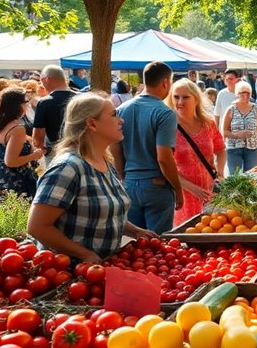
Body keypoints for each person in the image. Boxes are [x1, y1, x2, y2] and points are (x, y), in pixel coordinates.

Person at [29, 93, 158, 262]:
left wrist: (134, 230)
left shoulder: (104, 161)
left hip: (99, 270)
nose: (121, 120)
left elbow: (105, 213)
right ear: (92, 123)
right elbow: (37, 227)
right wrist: (84, 254)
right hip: (70, 275)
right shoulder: (68, 167)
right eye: (114, 115)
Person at [111, 61, 184, 235]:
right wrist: (178, 189)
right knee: (157, 247)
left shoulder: (121, 109)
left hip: (130, 183)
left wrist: (124, 176)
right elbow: (164, 157)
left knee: (135, 246)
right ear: (166, 82)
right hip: (156, 185)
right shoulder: (165, 112)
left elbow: (115, 150)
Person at [166, 79, 225, 227]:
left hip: (210, 190)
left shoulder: (208, 123)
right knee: (188, 236)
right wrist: (192, 188)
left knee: (213, 231)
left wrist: (220, 172)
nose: (180, 102)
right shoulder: (168, 126)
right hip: (183, 194)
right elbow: (165, 164)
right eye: (176, 97)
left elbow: (221, 149)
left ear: (196, 99)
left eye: (185, 97)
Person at [0, 87, 45, 200]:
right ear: (19, 105)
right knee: (16, 215)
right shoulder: (16, 128)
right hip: (14, 180)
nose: (28, 105)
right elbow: (10, 161)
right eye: (26, 102)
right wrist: (35, 155)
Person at [33, 65, 77, 171]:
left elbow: (38, 136)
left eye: (41, 80)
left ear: (48, 79)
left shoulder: (44, 102)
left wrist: (41, 148)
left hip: (55, 154)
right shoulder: (81, 98)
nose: (42, 85)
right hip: (81, 150)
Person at [222, 81, 257, 175]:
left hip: (252, 148)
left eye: (248, 93)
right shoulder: (231, 109)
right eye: (242, 93)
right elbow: (224, 131)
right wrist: (237, 135)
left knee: (251, 177)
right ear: (237, 94)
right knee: (234, 177)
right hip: (233, 148)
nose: (245, 96)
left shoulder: (256, 109)